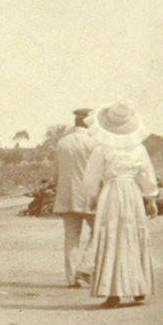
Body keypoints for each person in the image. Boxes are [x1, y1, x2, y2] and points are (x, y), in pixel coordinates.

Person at [82, 101, 158, 308]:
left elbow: (91, 178)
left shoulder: (102, 148)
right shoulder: (139, 149)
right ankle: (138, 289)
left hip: (112, 194)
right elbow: (147, 176)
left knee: (114, 236)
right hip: (133, 193)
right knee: (132, 236)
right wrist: (150, 199)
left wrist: (91, 197)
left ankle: (113, 292)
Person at [53, 107, 97, 287]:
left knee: (71, 238)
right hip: (90, 196)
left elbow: (56, 173)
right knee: (100, 232)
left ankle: (72, 279)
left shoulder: (62, 143)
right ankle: (86, 268)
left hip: (67, 196)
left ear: (76, 121)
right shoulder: (94, 143)